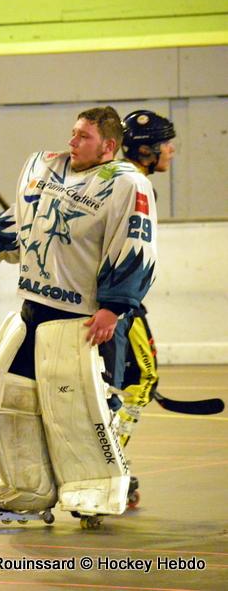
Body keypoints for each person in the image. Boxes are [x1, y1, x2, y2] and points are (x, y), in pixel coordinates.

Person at [0, 106, 157, 528]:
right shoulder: (46, 167)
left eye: (84, 136)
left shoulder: (127, 184)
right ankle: (26, 489)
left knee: (81, 409)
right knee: (13, 401)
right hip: (33, 309)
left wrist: (112, 307)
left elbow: (136, 245)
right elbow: (23, 217)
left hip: (84, 319)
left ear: (108, 145)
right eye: (73, 133)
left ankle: (93, 493)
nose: (72, 141)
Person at [104, 109, 176, 507]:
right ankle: (109, 463)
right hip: (115, 304)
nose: (172, 151)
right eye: (166, 144)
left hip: (107, 300)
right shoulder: (135, 186)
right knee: (139, 380)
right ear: (146, 150)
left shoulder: (112, 178)